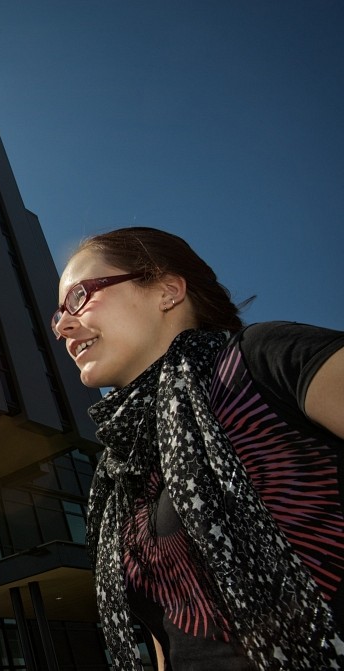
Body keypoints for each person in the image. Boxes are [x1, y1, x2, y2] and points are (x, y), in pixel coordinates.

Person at [52, 227, 344, 670]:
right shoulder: (118, 471)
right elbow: (168, 638)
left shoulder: (258, 361)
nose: (63, 326)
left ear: (167, 291)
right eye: (58, 314)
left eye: (79, 297)